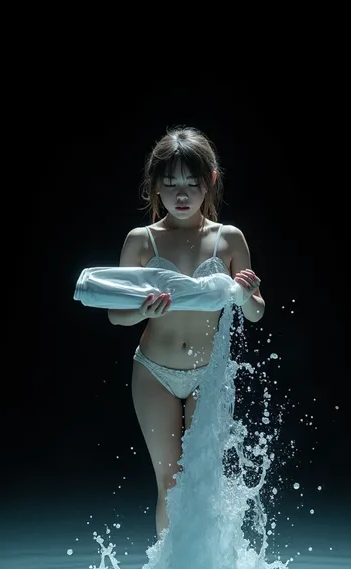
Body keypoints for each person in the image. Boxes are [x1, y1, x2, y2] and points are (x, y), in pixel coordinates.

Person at [108, 126, 265, 539]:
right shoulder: (141, 241)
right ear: (155, 185)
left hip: (208, 375)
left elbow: (255, 313)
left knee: (205, 482)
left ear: (209, 182)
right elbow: (115, 316)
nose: (182, 194)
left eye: (192, 184)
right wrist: (140, 309)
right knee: (170, 482)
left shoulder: (228, 239)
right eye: (171, 183)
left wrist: (247, 294)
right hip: (154, 372)